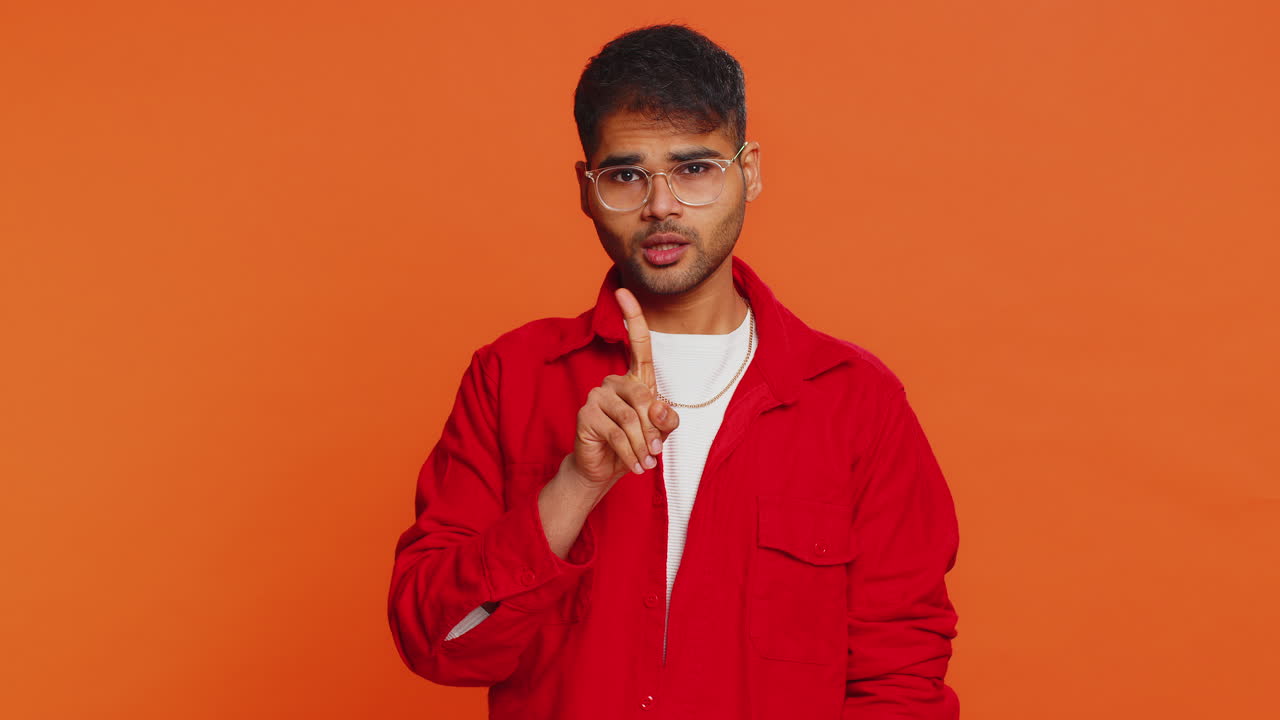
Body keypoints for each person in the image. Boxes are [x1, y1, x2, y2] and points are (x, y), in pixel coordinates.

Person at [387, 23, 960, 719]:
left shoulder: (856, 402)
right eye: (627, 175)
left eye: (694, 168)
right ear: (586, 187)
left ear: (748, 170)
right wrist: (575, 485)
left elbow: (900, 677)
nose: (661, 206)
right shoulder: (510, 378)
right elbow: (434, 641)